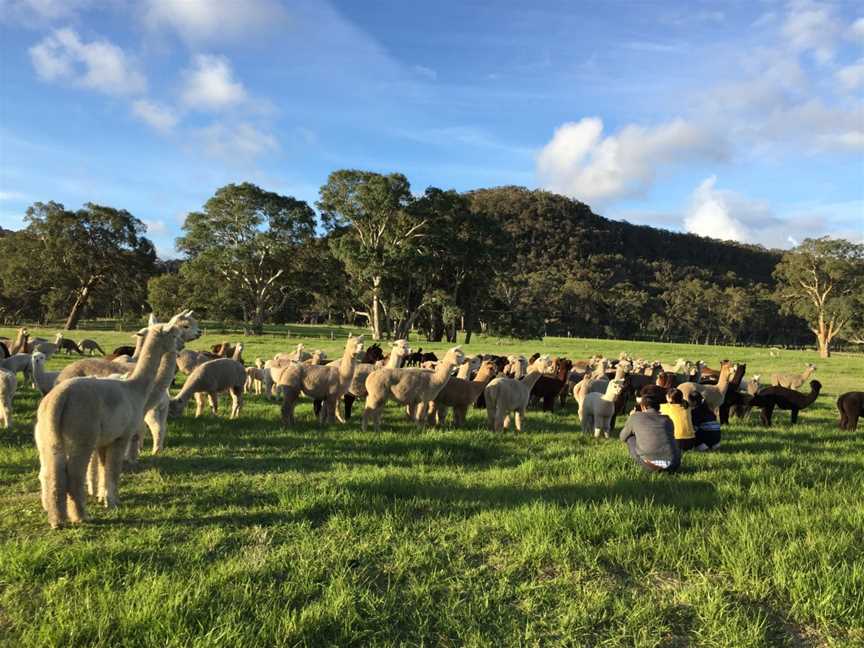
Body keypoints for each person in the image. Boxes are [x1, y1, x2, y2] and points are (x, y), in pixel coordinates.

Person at [619, 394, 681, 473]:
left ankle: (647, 463)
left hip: (650, 466)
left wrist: (630, 418)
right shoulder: (667, 419)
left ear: (643, 407)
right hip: (673, 465)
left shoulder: (635, 417)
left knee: (630, 439)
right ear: (658, 407)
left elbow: (622, 437)